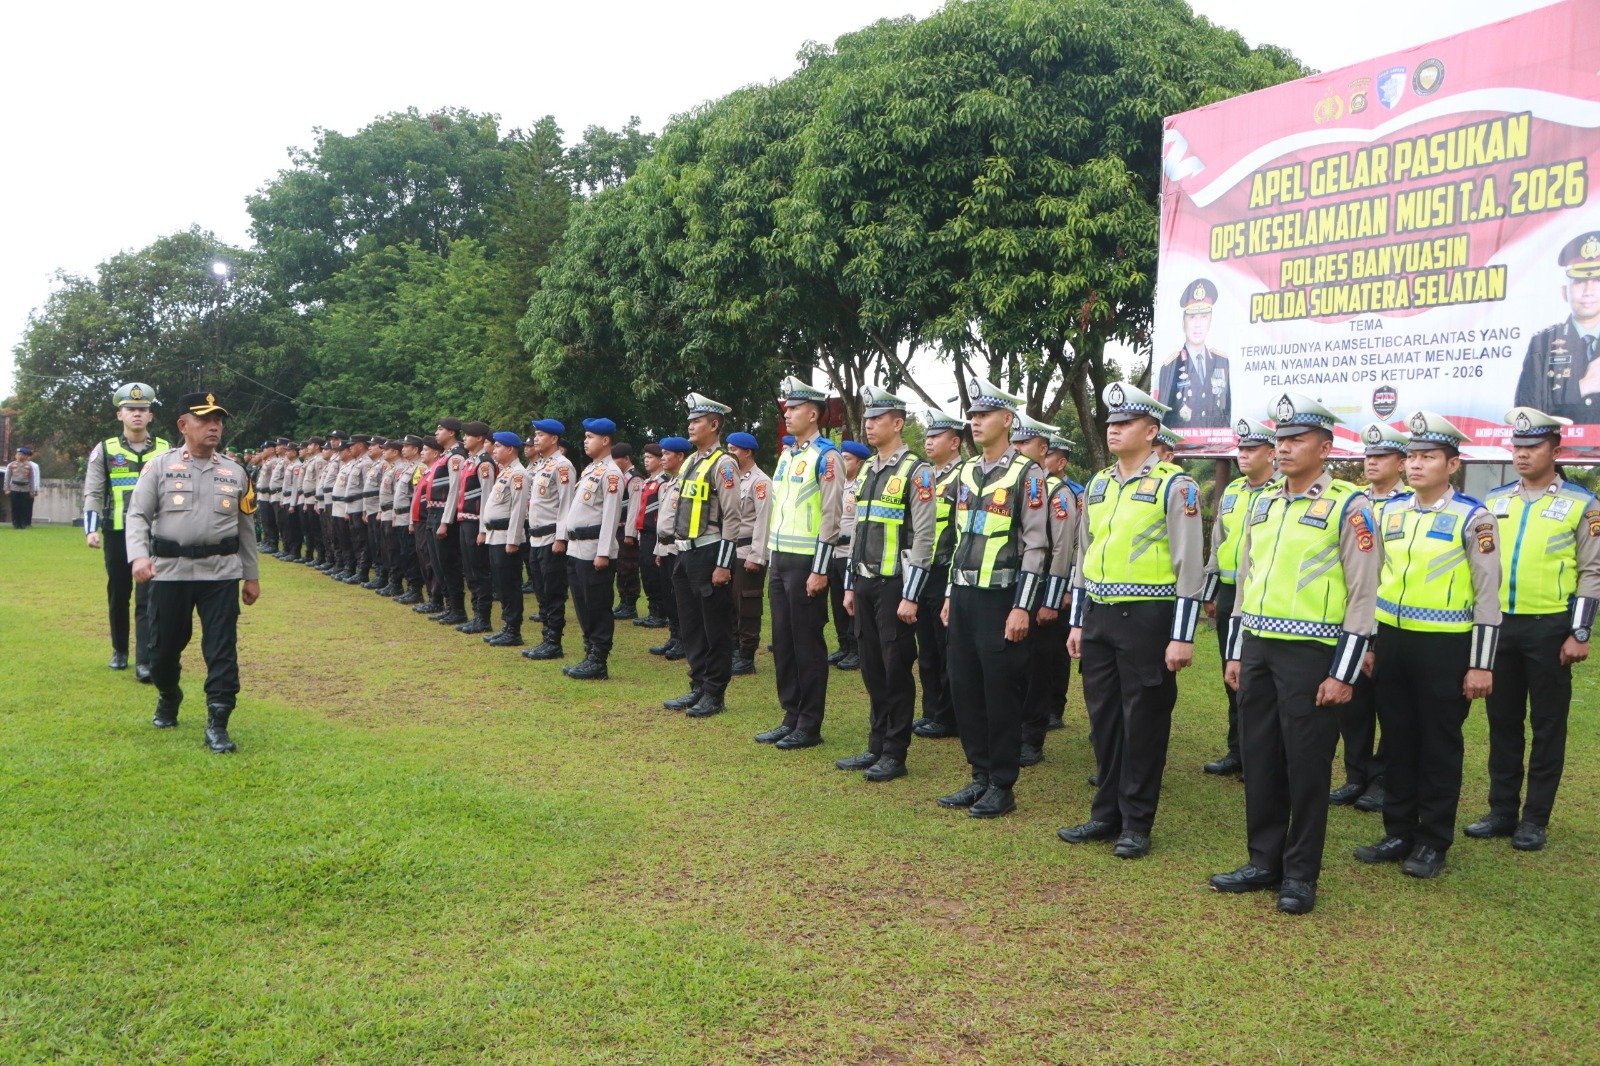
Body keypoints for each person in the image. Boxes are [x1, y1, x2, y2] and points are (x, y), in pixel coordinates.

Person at [1210, 394, 1379, 915]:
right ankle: (1263, 861)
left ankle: (1301, 874)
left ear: (1325, 448)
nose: (1283, 448)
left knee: (1306, 766)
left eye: (1295, 440)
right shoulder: (1263, 502)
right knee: (1260, 757)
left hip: (1312, 653)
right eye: (1280, 440)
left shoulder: (1350, 506)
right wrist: (1236, 652)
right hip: (1258, 647)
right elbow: (1246, 580)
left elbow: (1364, 595)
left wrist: (1344, 672)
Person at [1061, 381, 1204, 858]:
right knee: (1103, 719)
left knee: (1143, 722)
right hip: (1099, 615)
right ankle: (1106, 814)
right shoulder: (1098, 484)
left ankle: (1137, 823)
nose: (1114, 430)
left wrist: (1182, 635)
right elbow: (1085, 554)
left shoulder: (1175, 485)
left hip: (1147, 618)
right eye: (1111, 423)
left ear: (1151, 430)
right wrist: (1078, 621)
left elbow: (1189, 565)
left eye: (1125, 423)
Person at [1356, 411, 1500, 880]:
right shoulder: (1391, 512)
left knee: (1439, 746)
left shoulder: (1474, 518)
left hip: (1446, 648)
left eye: (1428, 457)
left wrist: (1480, 664)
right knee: (1397, 740)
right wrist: (1371, 643)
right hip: (1393, 642)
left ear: (1452, 464)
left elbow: (1488, 596)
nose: (1416, 464)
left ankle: (1433, 840)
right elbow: (1375, 580)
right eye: (1413, 456)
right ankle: (1398, 831)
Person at [1464, 407, 1600, 852]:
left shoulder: (1583, 504)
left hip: (1550, 628)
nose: (1521, 454)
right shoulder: (1496, 500)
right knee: (1502, 723)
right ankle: (1502, 811)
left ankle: (1535, 819)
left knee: (1547, 726)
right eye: (1517, 446)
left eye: (1532, 446)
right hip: (1501, 626)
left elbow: (1592, 571)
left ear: (1555, 451)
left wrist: (1579, 632)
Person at [934, 375, 1051, 818]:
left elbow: (1036, 545)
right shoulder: (966, 472)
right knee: (965, 688)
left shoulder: (1027, 474)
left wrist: (1023, 606)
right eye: (973, 415)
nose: (976, 421)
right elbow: (958, 537)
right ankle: (979, 774)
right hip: (964, 595)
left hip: (1002, 599)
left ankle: (1002, 784)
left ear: (1007, 419)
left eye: (984, 414)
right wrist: (950, 592)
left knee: (1000, 692)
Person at [124, 391, 261, 754]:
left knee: (221, 649)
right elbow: (137, 515)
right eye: (204, 419)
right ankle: (169, 694)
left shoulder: (235, 471)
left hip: (221, 574)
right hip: (170, 572)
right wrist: (139, 557)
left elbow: (246, 528)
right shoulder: (160, 467)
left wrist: (251, 575)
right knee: (162, 651)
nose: (214, 426)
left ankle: (218, 721)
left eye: (218, 420)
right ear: (183, 425)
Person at [834, 386, 936, 782]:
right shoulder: (867, 470)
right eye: (867, 419)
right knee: (872, 668)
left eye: (877, 419)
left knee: (896, 669)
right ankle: (876, 744)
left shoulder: (916, 471)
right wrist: (849, 585)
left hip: (895, 584)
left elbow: (924, 537)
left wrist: (912, 595)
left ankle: (895, 751)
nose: (869, 425)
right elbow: (858, 531)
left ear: (898, 423)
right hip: (863, 581)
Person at [758, 376, 846, 750]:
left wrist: (820, 569)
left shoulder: (827, 457)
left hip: (807, 561)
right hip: (780, 560)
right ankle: (790, 715)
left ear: (813, 414)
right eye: (787, 408)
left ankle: (809, 723)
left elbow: (832, 517)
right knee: (783, 641)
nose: (787, 413)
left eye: (794, 408)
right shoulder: (788, 455)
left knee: (807, 643)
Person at [1330, 422, 1410, 811]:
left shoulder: (1410, 504)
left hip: (1391, 620)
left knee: (1389, 706)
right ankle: (1355, 774)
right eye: (1369, 455)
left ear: (1401, 462)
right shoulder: (1352, 501)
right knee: (1353, 704)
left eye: (1382, 456)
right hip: (1353, 617)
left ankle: (1382, 778)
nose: (1372, 462)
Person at [1199, 417, 1278, 776]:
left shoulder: (1280, 491)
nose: (1243, 455)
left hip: (1261, 595)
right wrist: (1211, 591)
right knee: (1231, 672)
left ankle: (1259, 756)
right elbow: (1218, 542)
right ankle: (1238, 750)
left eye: (1251, 449)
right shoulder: (1232, 491)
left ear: (1271, 453)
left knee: (1259, 680)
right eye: (1241, 449)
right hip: (1230, 593)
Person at [661, 394, 748, 717]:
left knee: (715, 627)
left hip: (710, 551)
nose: (690, 426)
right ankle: (697, 684)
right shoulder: (690, 462)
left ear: (714, 424)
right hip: (685, 554)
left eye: (696, 421)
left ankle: (714, 692)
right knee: (691, 625)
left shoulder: (724, 464)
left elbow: (733, 518)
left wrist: (723, 564)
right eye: (690, 421)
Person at [82, 382, 171, 678]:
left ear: (150, 416)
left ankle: (144, 660)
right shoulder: (105, 449)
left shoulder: (165, 450)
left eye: (143, 409)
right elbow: (93, 492)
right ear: (119, 414)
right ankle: (119, 650)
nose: (137, 414)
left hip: (152, 534)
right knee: (119, 593)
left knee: (148, 597)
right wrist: (91, 529)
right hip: (117, 532)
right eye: (130, 409)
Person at [1017, 420, 1081, 767]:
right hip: (1016, 586)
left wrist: (1054, 599)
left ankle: (1032, 737)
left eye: (1024, 445)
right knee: (1015, 664)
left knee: (1038, 667)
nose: (1017, 450)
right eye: (1015, 444)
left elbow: (1063, 549)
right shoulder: (1018, 484)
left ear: (1045, 452)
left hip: (1043, 589)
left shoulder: (1058, 493)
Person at [912, 407, 968, 741]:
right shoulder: (928, 476)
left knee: (946, 646)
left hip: (946, 570)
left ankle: (949, 715)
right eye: (927, 436)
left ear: (955, 442)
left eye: (936, 436)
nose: (928, 441)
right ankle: (931, 710)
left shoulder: (963, 477)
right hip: (924, 569)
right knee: (927, 647)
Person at [554, 418, 624, 680]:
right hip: (577, 548)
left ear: (605, 441)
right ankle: (589, 652)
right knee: (583, 604)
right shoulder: (590, 470)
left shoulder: (611, 473)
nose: (585, 441)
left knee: (597, 605)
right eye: (585, 436)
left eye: (590, 437)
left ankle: (598, 660)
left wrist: (603, 552)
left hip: (594, 549)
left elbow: (611, 515)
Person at [1514, 231, 1600, 422]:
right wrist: (1583, 386)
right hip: (1558, 442)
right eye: (1579, 281)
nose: (1588, 291)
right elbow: (1525, 413)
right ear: (1564, 292)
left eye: (1598, 280)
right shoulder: (1543, 343)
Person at [522, 418, 578, 661]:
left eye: (541, 435)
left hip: (551, 537)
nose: (536, 439)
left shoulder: (562, 466)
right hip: (536, 537)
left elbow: (566, 505)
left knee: (553, 591)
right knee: (540, 590)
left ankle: (554, 641)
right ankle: (546, 638)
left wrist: (561, 538)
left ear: (554, 439)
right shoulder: (541, 466)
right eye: (535, 434)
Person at [480, 431, 532, 647]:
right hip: (495, 536)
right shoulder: (505, 472)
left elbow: (519, 510)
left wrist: (513, 540)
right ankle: (507, 626)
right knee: (501, 584)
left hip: (506, 537)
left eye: (499, 446)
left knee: (509, 584)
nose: (494, 449)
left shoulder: (518, 474)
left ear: (510, 449)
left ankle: (513, 630)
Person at [1156, 278, 1231, 429]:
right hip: (1183, 442)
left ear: (1210, 321)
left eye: (1204, 317)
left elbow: (1226, 411)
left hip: (1214, 441)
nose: (1198, 324)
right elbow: (1164, 419)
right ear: (1183, 323)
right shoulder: (1170, 366)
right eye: (1192, 317)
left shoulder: (1221, 362)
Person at [728, 432, 772, 675]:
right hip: (729, 550)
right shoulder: (731, 478)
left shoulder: (760, 481)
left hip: (748, 551)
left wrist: (757, 556)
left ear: (747, 452)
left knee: (747, 604)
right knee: (730, 603)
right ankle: (734, 649)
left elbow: (763, 521)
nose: (729, 453)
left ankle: (746, 655)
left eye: (734, 449)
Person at [649, 438, 692, 659]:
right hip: (665, 547)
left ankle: (685, 639)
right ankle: (674, 636)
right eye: (662, 453)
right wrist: (658, 548)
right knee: (668, 595)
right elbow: (663, 520)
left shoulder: (686, 482)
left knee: (680, 597)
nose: (662, 458)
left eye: (667, 454)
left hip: (678, 547)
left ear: (680, 456)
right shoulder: (667, 484)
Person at [450, 422, 496, 632]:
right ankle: (476, 614)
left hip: (476, 522)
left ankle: (483, 618)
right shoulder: (470, 461)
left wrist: (483, 529)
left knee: (479, 571)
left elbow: (487, 498)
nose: (464, 438)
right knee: (469, 571)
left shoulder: (484, 463)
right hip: (465, 521)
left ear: (479, 438)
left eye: (468, 435)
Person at [828, 441, 870, 670]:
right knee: (837, 602)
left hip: (849, 553)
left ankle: (856, 649)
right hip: (834, 553)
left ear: (859, 463)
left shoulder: (862, 486)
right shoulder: (838, 484)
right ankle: (843, 645)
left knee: (851, 602)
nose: (842, 462)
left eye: (847, 459)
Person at [428, 418, 470, 625]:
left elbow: (455, 490)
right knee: (439, 563)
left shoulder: (456, 456)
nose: (437, 433)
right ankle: (449, 607)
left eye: (440, 429)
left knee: (449, 563)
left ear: (451, 432)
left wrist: (445, 521)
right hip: (434, 512)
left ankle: (458, 609)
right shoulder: (446, 455)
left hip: (445, 514)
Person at [630, 443, 674, 630]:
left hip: (655, 534)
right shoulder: (648, 482)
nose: (646, 461)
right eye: (645, 457)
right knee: (647, 574)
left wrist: (658, 542)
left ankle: (660, 613)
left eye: (650, 457)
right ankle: (652, 610)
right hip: (644, 534)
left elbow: (663, 513)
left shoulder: (663, 483)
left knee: (655, 575)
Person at [389, 436, 424, 602]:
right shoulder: (407, 468)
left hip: (408, 517)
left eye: (406, 446)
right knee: (404, 553)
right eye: (402, 446)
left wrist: (412, 520)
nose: (403, 449)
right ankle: (410, 587)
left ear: (415, 449)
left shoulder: (419, 468)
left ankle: (415, 590)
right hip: (400, 516)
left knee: (411, 554)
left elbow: (416, 497)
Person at [612, 443, 644, 621]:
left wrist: (630, 533)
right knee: (620, 566)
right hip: (618, 528)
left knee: (628, 566)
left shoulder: (634, 479)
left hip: (626, 529)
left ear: (626, 459)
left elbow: (634, 507)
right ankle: (623, 600)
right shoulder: (620, 477)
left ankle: (630, 603)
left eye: (616, 460)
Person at [6, 447, 41, 528]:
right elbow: (7, 478)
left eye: (22, 455)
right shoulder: (11, 465)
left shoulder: (29, 466)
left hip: (25, 488)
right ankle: (16, 523)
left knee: (24, 507)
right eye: (18, 454)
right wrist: (7, 489)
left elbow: (32, 479)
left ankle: (23, 523)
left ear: (25, 456)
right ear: (16, 455)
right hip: (14, 488)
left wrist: (32, 490)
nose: (20, 456)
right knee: (15, 506)